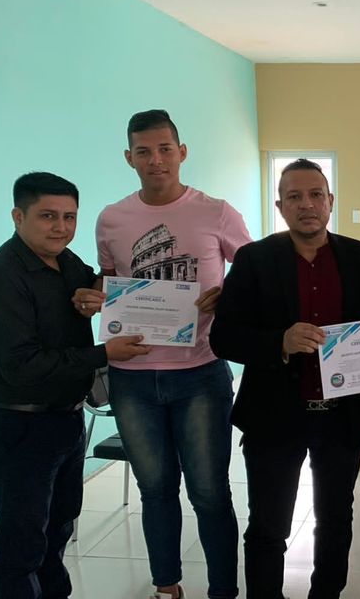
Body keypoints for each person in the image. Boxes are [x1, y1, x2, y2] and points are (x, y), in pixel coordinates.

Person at [75, 110, 251, 599]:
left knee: (209, 492)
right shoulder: (112, 218)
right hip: (130, 377)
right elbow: (110, 280)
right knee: (154, 490)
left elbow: (255, 271)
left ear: (182, 152)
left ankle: (222, 590)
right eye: (144, 152)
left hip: (200, 373)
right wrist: (94, 296)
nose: (156, 160)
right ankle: (166, 586)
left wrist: (228, 295)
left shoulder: (216, 212)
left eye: (165, 149)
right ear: (129, 158)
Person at [210, 158, 360, 599]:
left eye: (315, 195)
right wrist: (280, 341)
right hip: (274, 416)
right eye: (294, 196)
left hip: (342, 417)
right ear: (280, 206)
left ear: (331, 201)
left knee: (336, 520)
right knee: (268, 526)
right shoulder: (254, 260)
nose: (306, 204)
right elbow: (223, 338)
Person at [0, 173, 148, 599]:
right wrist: (104, 353)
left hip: (65, 422)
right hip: (17, 427)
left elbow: (99, 287)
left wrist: (97, 293)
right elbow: (22, 367)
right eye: (47, 216)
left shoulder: (67, 264)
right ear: (18, 216)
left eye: (69, 217)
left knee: (58, 529)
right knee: (22, 544)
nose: (60, 227)